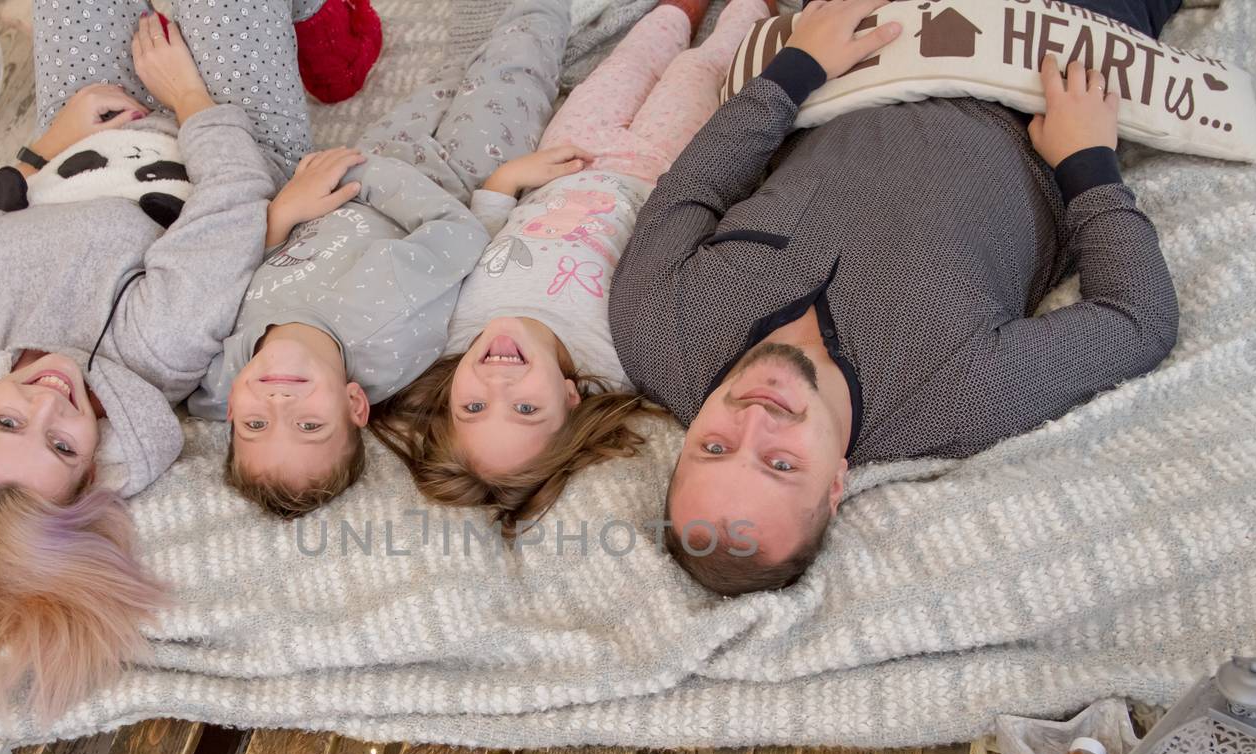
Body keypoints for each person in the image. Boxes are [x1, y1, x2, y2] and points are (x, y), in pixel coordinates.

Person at [609, 0, 1181, 596]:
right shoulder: (956, 399)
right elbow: (1137, 319)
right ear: (835, 487)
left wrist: (797, 67)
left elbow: (696, 185)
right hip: (1038, 61)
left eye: (715, 446)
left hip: (882, 46)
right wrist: (1088, 165)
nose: (755, 418)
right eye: (781, 464)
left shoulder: (653, 324)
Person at [0, 0, 311, 720]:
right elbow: (235, 198)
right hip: (224, 135)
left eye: (6, 419)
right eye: (62, 443)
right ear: (92, 470)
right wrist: (186, 92)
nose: (49, 398)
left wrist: (43, 145)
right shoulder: (154, 345)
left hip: (77, 142)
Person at [373, 0, 769, 534]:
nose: (498, 384)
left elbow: (476, 236)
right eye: (526, 410)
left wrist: (509, 180)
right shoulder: (617, 358)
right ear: (570, 397)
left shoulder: (451, 331)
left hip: (566, 157)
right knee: (700, 71)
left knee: (628, 63)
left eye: (473, 407)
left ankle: (680, 9)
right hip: (658, 168)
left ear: (448, 397)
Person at [190, 0, 575, 519]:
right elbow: (457, 236)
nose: (280, 406)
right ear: (354, 405)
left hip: (373, 158)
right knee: (516, 62)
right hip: (456, 173)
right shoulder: (388, 330)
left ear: (232, 410)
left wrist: (283, 215)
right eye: (311, 426)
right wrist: (360, 175)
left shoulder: (218, 374)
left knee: (446, 76)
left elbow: (213, 283)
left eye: (256, 425)